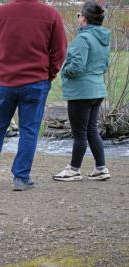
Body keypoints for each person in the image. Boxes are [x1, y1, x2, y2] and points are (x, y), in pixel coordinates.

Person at [0, 0, 67, 190]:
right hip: (36, 81)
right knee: (29, 130)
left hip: (6, 82)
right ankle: (21, 177)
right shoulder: (50, 14)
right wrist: (49, 74)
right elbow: (59, 51)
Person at [53, 1, 111, 182]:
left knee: (79, 133)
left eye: (79, 14)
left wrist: (65, 69)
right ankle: (101, 168)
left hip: (81, 92)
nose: (78, 17)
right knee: (91, 130)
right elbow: (105, 65)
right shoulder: (104, 38)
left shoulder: (82, 39)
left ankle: (73, 170)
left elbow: (76, 67)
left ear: (84, 19)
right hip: (97, 90)